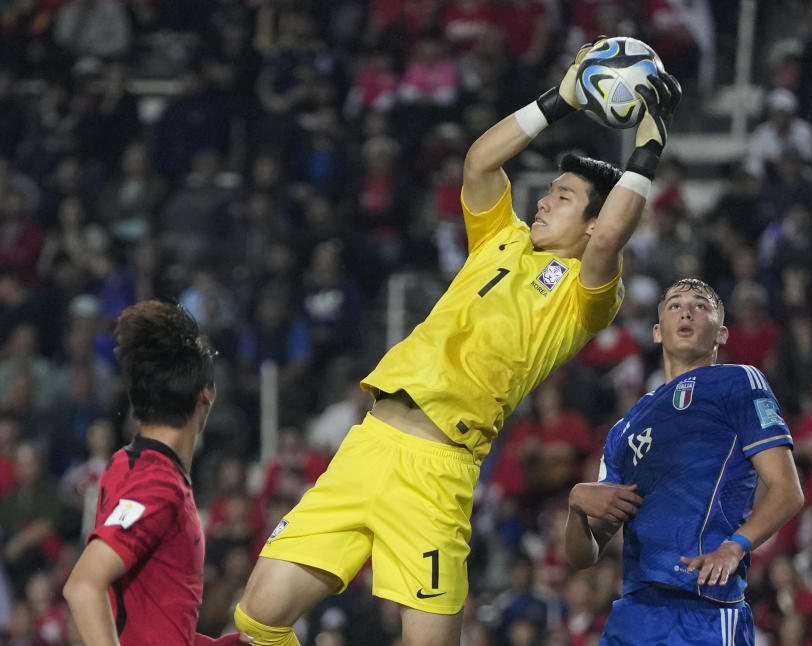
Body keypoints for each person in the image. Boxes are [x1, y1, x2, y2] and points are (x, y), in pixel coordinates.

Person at [234, 40, 682, 646]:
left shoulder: (585, 293)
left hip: (436, 471)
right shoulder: (501, 238)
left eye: (565, 197)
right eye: (549, 189)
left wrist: (648, 148)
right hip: (367, 445)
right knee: (257, 619)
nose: (545, 199)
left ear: (595, 224)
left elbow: (610, 243)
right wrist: (561, 99)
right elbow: (478, 161)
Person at [564, 278, 805, 645]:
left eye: (701, 305)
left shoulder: (739, 381)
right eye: (675, 305)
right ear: (658, 332)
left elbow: (788, 491)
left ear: (721, 334)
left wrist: (735, 545)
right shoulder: (624, 430)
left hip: (705, 610)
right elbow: (583, 556)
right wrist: (576, 506)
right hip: (633, 615)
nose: (687, 311)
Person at [61, 300, 249, 646]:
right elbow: (83, 586)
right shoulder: (158, 486)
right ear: (206, 396)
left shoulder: (126, 464)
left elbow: (143, 619)